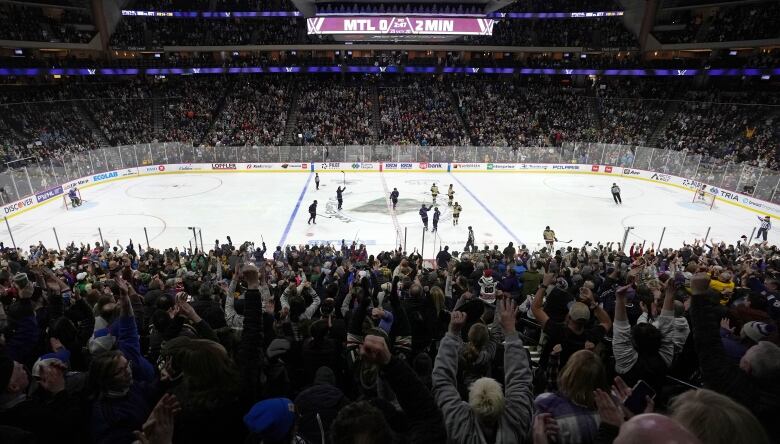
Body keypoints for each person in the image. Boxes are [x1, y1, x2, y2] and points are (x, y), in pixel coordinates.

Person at [433, 300, 534, 443]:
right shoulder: (516, 422)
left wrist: (452, 333)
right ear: (502, 400)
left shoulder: (458, 425)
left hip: (464, 385)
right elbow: (521, 382)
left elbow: (442, 382)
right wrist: (510, 331)